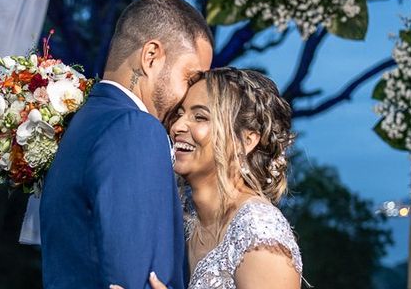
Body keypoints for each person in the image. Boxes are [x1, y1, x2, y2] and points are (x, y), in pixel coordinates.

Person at [40, 0, 214, 289]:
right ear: (151, 56)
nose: (190, 95)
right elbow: (137, 278)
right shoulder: (135, 129)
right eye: (190, 77)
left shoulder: (85, 123)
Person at [113, 68, 302, 289]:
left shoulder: (260, 233)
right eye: (180, 114)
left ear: (245, 141)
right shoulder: (178, 214)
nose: (177, 127)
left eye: (200, 117)